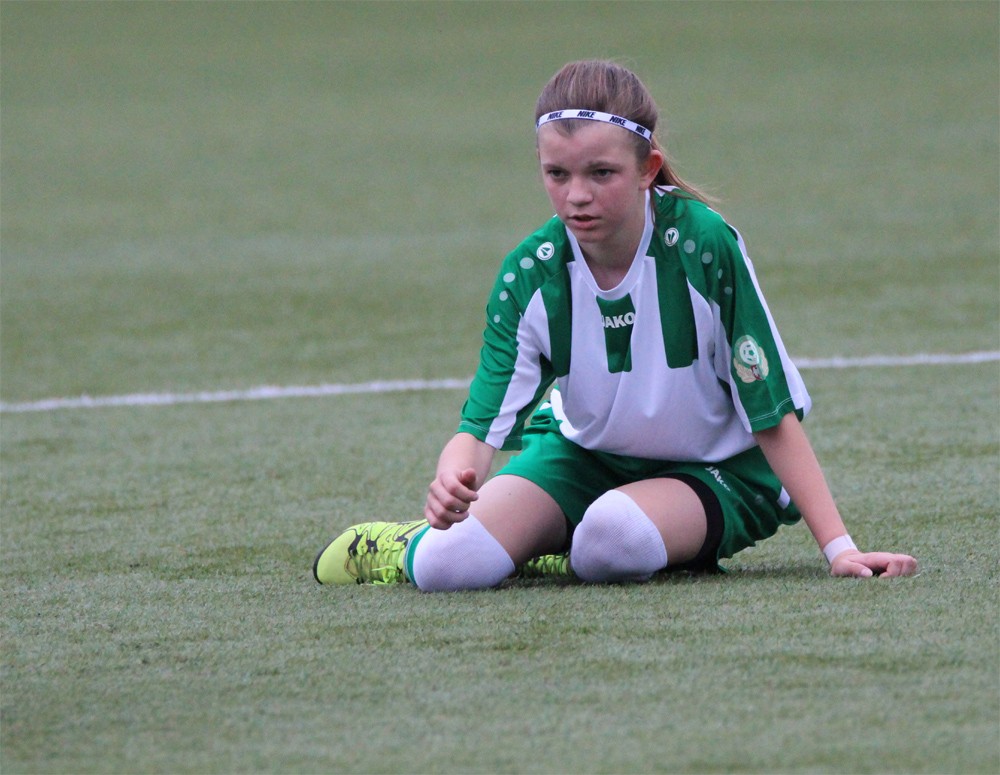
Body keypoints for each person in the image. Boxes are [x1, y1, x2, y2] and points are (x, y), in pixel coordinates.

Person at [313, 59, 918, 591]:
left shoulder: (703, 246)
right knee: (447, 567)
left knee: (611, 541)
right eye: (557, 174)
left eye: (600, 173)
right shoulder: (531, 274)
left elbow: (770, 410)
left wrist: (839, 549)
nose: (576, 196)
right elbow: (480, 427)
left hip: (720, 470)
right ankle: (412, 545)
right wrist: (453, 475)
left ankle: (572, 544)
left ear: (648, 167)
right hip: (584, 458)